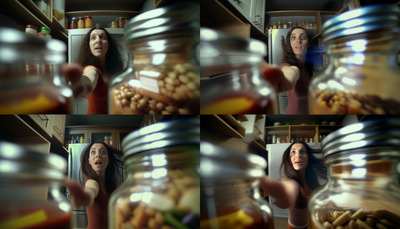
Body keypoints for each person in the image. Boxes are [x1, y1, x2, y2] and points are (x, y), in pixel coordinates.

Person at [260, 141, 327, 229]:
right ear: (289, 159)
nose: (298, 155)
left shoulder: (312, 180)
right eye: (293, 152)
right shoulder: (288, 181)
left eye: (302, 152)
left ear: (308, 158)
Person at [64, 142, 123, 229]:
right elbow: (91, 189)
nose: (98, 155)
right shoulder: (92, 182)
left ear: (108, 160)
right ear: (89, 161)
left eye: (103, 152)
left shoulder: (111, 186)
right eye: (93, 152)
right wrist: (86, 196)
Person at [70, 28, 123, 114]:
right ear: (89, 46)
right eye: (93, 38)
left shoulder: (117, 70)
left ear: (108, 45)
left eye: (102, 37)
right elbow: (89, 77)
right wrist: (80, 84)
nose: (98, 40)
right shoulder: (90, 69)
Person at [280, 27, 315, 114]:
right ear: (290, 44)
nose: (298, 41)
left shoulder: (309, 66)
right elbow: (290, 72)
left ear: (309, 44)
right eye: (293, 38)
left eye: (302, 37)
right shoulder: (287, 65)